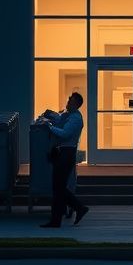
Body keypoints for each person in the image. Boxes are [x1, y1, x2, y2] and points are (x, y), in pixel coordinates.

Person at [40, 91, 89, 228]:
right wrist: (52, 117)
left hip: (66, 153)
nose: (68, 102)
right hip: (64, 153)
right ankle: (70, 211)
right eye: (68, 99)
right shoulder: (69, 115)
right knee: (58, 187)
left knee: (58, 187)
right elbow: (61, 122)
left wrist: (48, 126)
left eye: (70, 101)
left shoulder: (75, 119)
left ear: (76, 104)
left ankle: (73, 210)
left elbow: (65, 134)